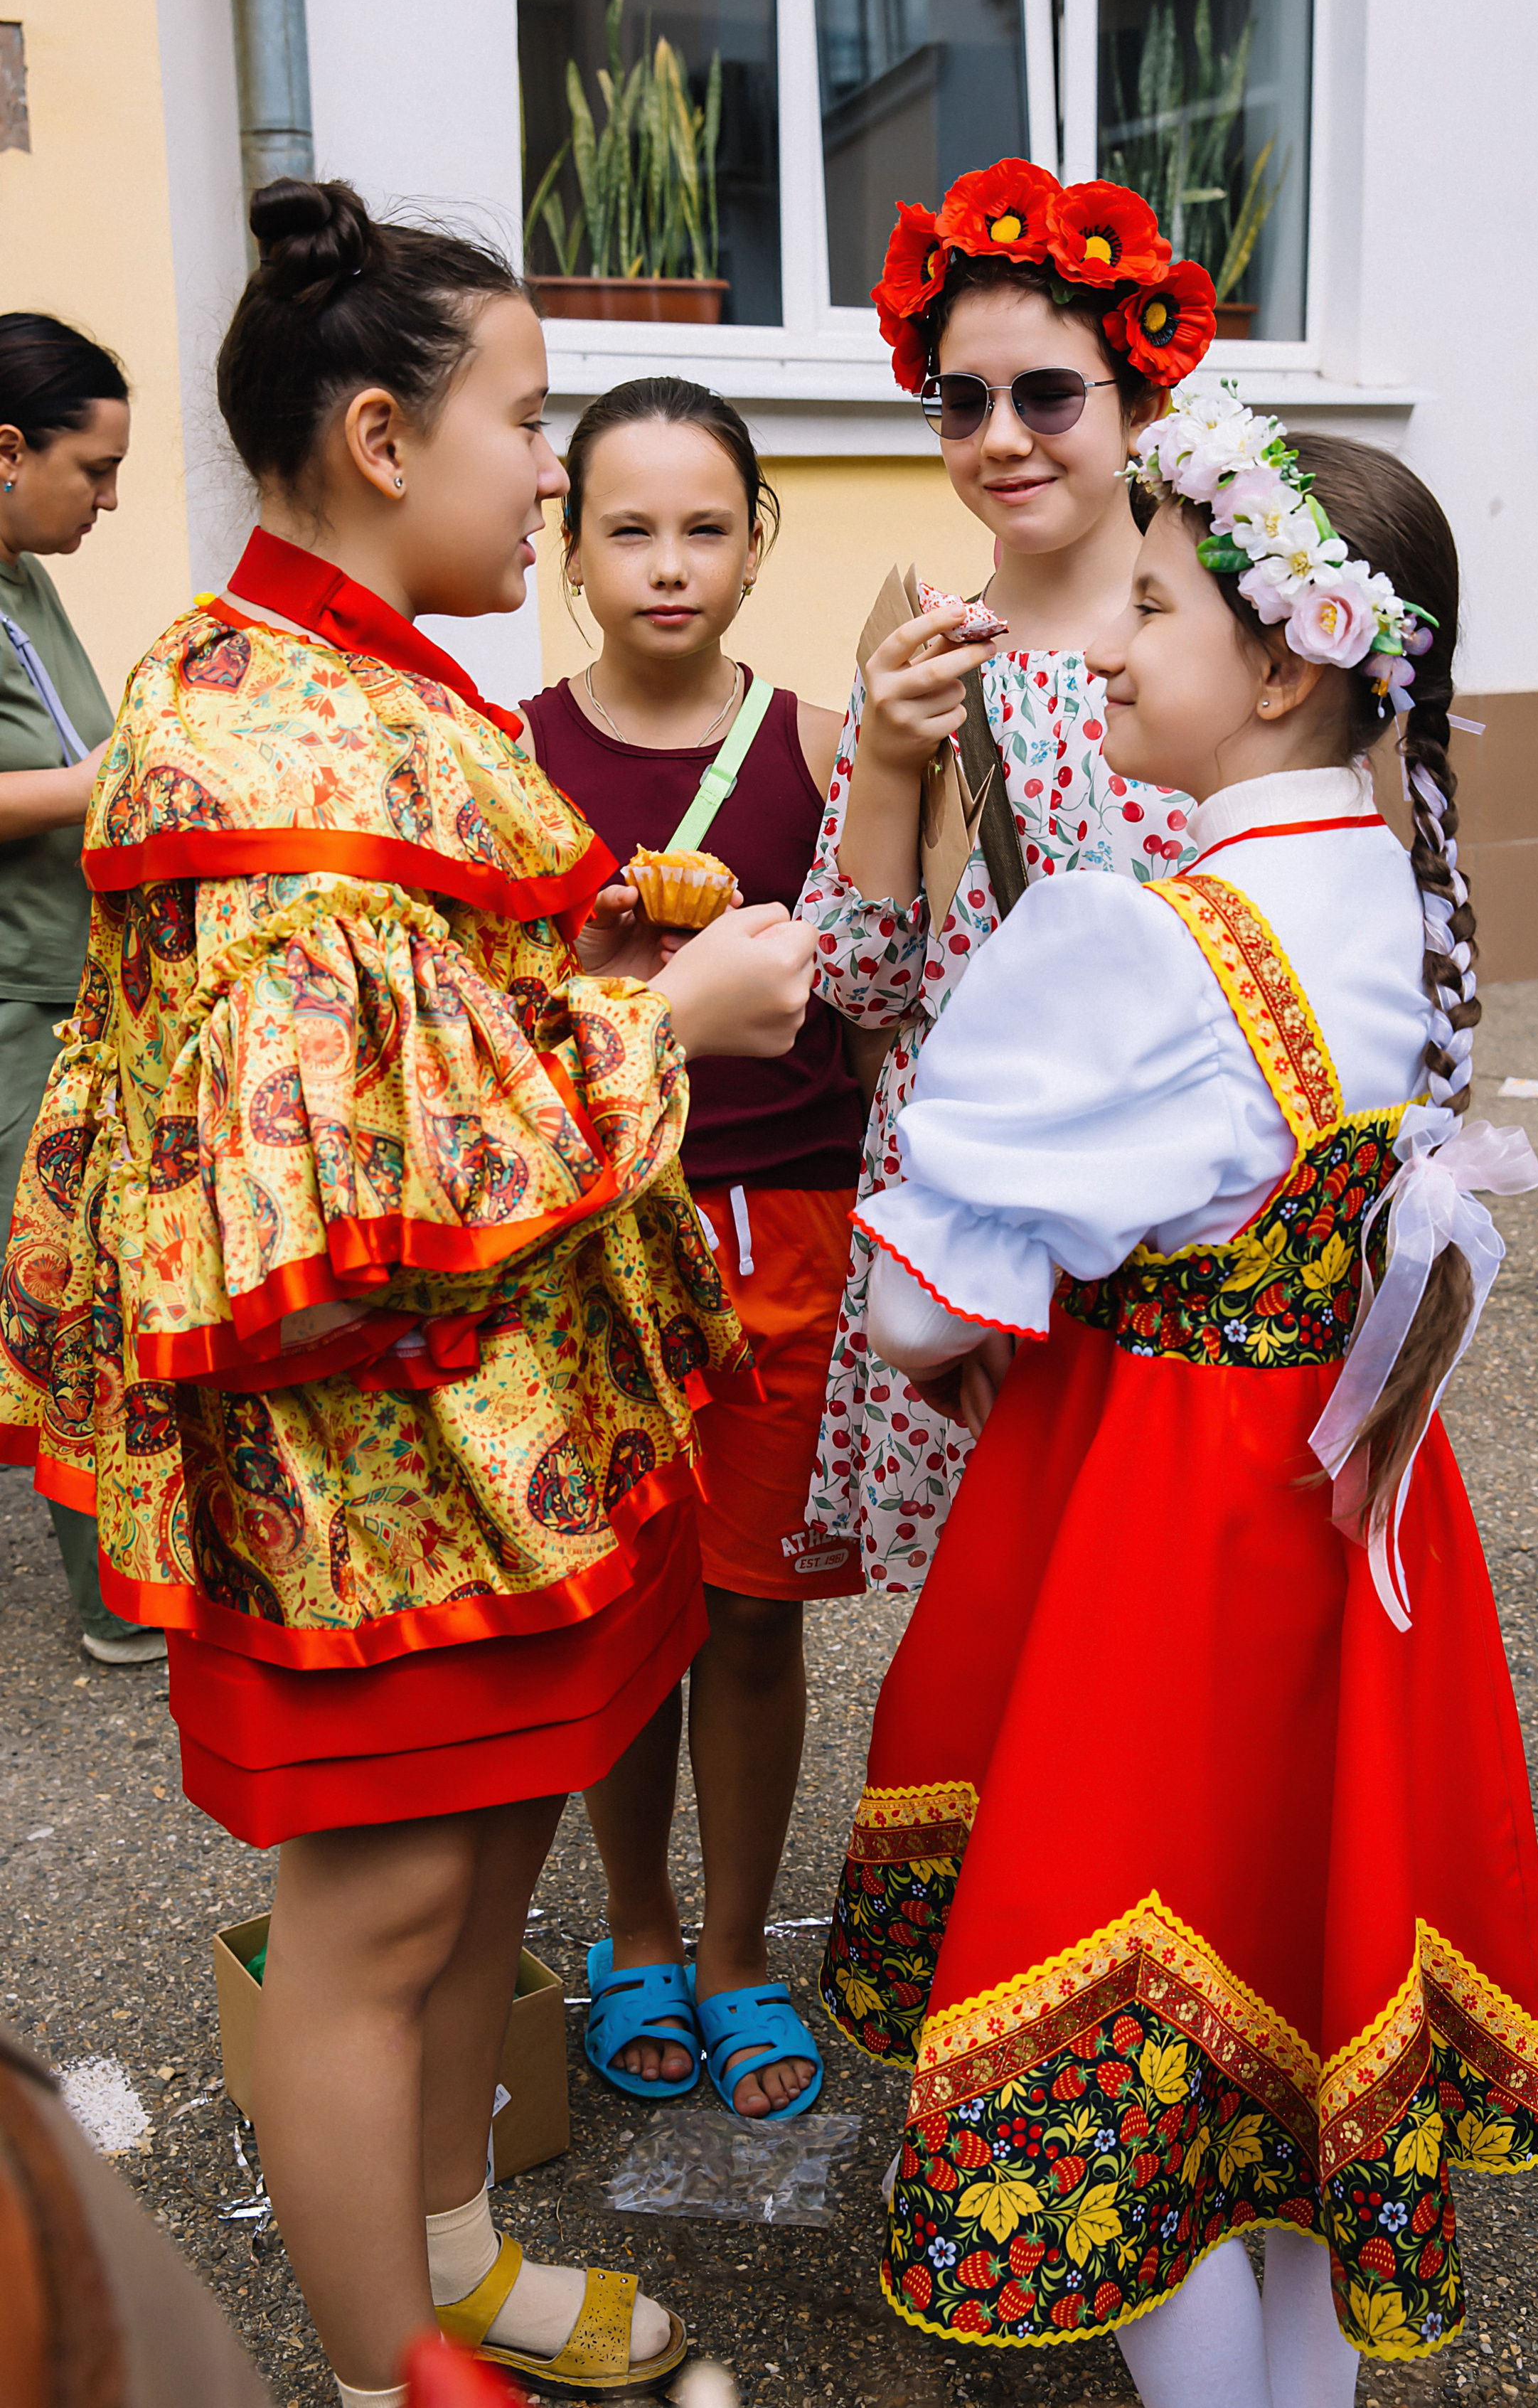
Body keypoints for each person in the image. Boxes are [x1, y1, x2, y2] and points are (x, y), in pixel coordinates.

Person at [0, 177, 816, 2408]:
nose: (550, 469)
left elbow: (439, 1007)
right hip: (379, 1477)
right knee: (377, 1924)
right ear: (381, 437)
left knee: (485, 1879)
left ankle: (454, 2245)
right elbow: (340, 1169)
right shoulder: (284, 743)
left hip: (487, 1453)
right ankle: (386, 2370)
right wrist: (677, 1020)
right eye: (527, 414)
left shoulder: (345, 677)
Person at [818, 409, 1538, 2401]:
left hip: (1147, 1527)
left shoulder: (1136, 943)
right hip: (1339, 1519)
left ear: (1285, 662)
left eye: (1150, 602)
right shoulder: (1390, 905)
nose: (1110, 642)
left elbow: (911, 1313)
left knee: (1131, 1993)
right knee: (1299, 1981)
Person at [520, 378, 867, 2123]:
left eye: (706, 526)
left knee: (747, 1615)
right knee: (623, 1609)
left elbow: (881, 1002)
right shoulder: (502, 758)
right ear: (566, 544)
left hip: (786, 1230)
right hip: (596, 1241)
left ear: (754, 541)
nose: (669, 562)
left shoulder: (823, 752)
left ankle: (736, 1947)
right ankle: (633, 1929)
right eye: (627, 527)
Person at [797, 159, 1216, 1590]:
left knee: (1156, 1618)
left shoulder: (1212, 646)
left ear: (1138, 403)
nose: (1000, 438)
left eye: (1047, 394)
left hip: (1171, 1220)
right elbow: (854, 978)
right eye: (961, 400)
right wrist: (893, 758)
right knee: (992, 1626)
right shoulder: (918, 656)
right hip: (967, 1219)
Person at [0, 311, 162, 1667]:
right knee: (62, 1302)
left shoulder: (24, 576)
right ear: (8, 450)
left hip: (66, 986)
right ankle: (116, 1595)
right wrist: (142, 776)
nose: (108, 499)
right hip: (11, 1002)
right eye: (93, 470)